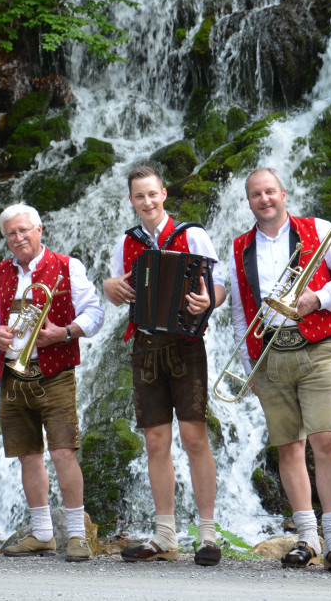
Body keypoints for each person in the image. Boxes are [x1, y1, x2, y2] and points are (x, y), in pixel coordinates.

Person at [228, 168, 331, 573]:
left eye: (270, 191)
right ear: (249, 201)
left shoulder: (318, 228)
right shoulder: (240, 247)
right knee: (289, 446)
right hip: (269, 354)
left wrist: (318, 298)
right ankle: (307, 538)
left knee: (325, 441)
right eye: (256, 194)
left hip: (317, 346)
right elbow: (240, 309)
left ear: (283, 193)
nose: (264, 199)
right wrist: (248, 363)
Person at [103, 165, 226, 566]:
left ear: (164, 193)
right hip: (145, 344)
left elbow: (220, 282)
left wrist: (209, 301)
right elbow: (113, 285)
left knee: (194, 438)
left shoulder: (191, 234)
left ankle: (207, 535)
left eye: (152, 194)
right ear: (131, 201)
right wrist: (109, 287)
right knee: (155, 441)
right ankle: (165, 535)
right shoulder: (127, 241)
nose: (147, 202)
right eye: (140, 196)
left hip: (187, 345)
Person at [0, 203, 105, 562]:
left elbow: (95, 313)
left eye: (24, 231)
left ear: (39, 229)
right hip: (13, 374)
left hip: (56, 371)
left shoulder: (67, 266)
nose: (18, 238)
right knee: (28, 456)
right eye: (11, 234)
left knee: (63, 451)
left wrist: (64, 332)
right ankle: (43, 533)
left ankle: (77, 536)